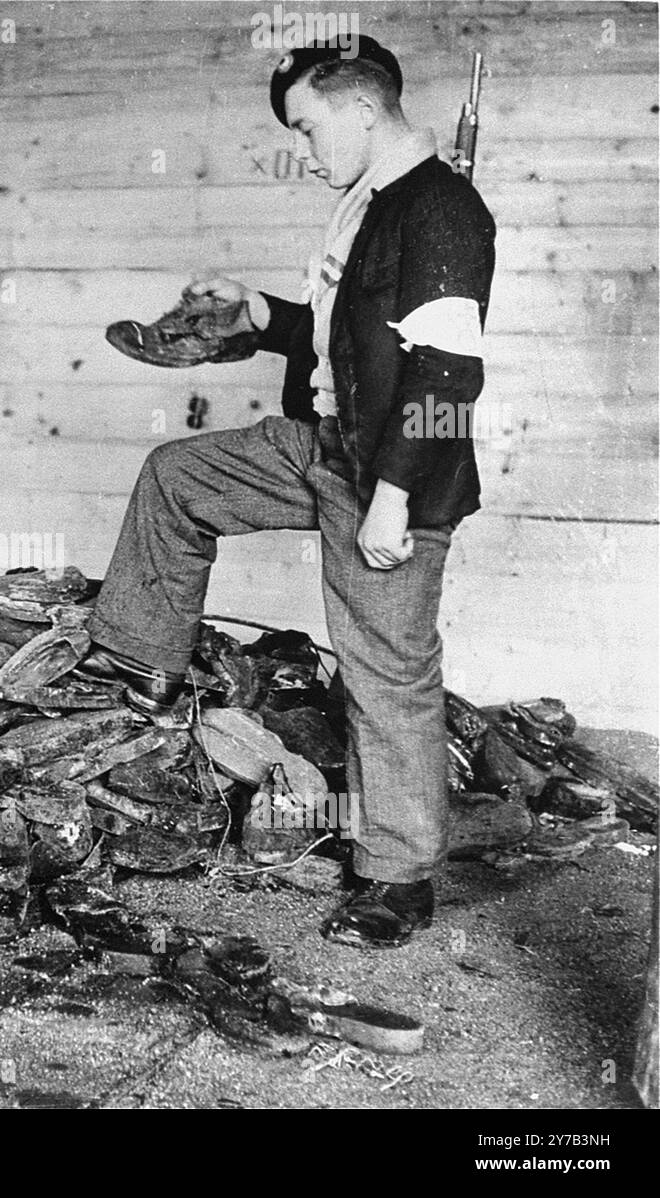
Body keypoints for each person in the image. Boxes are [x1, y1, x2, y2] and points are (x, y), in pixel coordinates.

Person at [84, 38, 497, 949]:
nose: (303, 151)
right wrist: (257, 310)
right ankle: (144, 662)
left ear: (359, 108)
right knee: (178, 475)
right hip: (322, 442)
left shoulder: (440, 208)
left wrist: (393, 496)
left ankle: (397, 881)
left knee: (386, 673)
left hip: (390, 467)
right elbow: (346, 338)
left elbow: (449, 375)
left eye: (308, 130)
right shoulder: (371, 201)